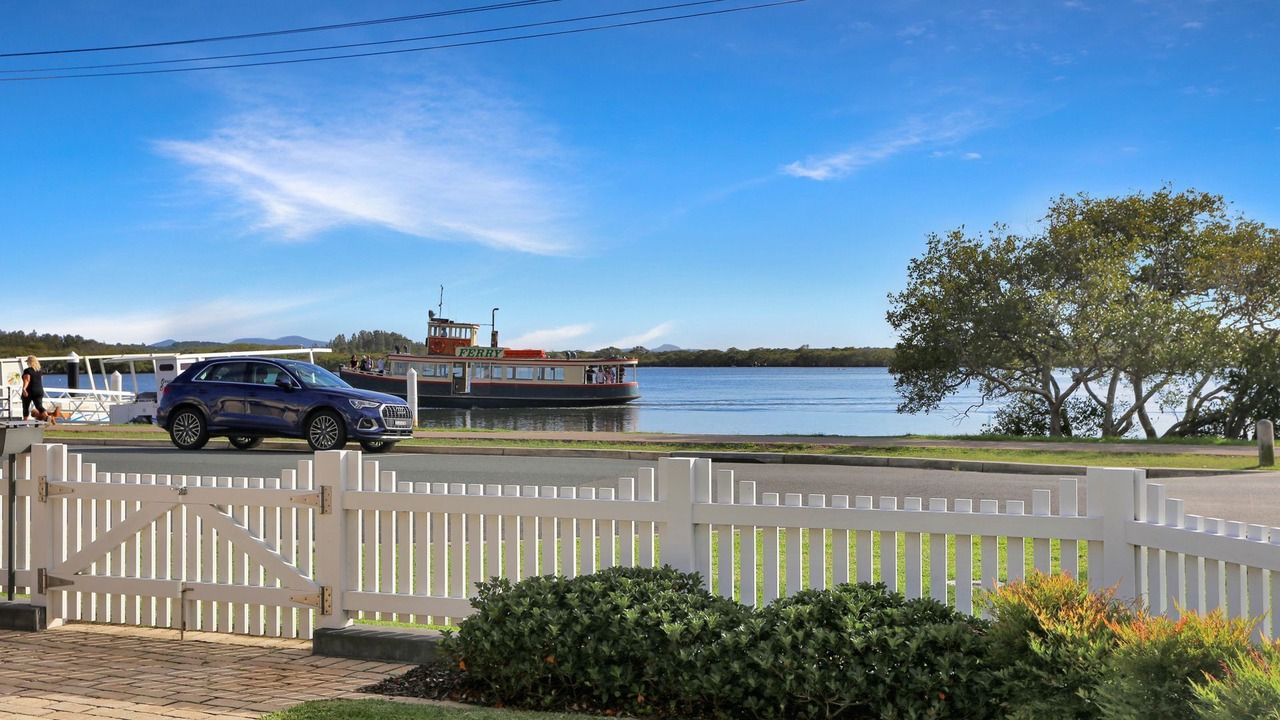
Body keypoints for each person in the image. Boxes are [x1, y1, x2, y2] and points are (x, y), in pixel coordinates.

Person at [21, 356, 49, 422]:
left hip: (30, 391)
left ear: (30, 362)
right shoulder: (40, 371)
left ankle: (25, 422)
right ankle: (47, 417)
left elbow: (27, 380)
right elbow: (40, 379)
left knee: (26, 407)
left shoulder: (27, 370)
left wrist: (24, 389)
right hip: (39, 390)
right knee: (39, 406)